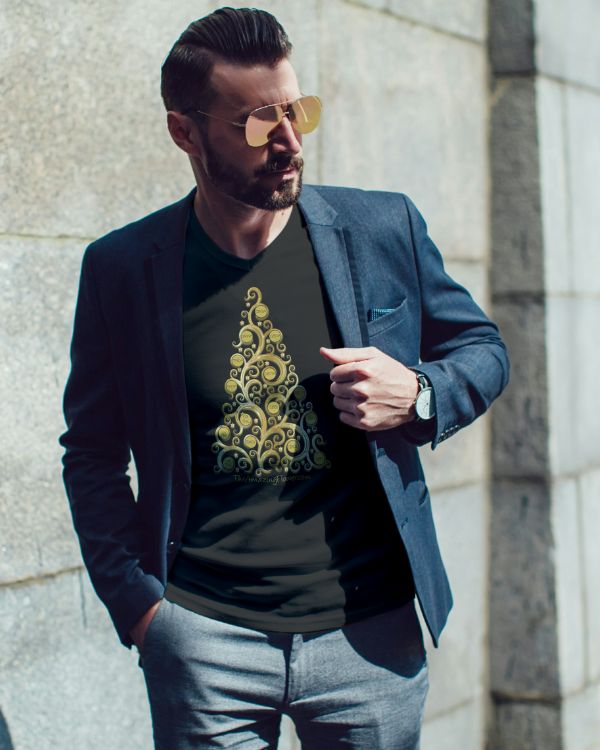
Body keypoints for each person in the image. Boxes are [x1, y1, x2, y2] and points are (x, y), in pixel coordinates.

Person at [58, 7, 509, 749]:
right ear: (185, 132)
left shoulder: (380, 229)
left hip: (371, 638)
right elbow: (92, 453)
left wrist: (418, 394)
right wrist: (140, 607)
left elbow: (484, 350)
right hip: (205, 642)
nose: (291, 143)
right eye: (259, 123)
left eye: (297, 111)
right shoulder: (122, 271)